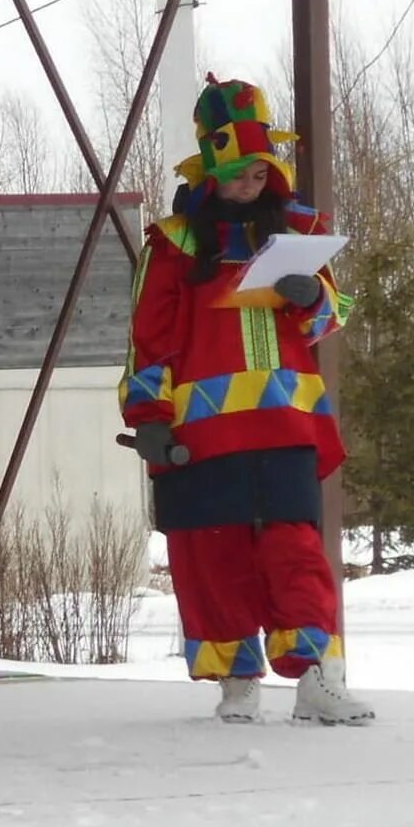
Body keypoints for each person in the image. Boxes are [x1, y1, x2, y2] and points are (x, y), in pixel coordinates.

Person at [120, 74, 374, 727]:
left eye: (259, 174)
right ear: (208, 173)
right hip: (200, 431)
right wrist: (146, 417)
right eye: (237, 175)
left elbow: (330, 318)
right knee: (210, 554)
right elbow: (148, 342)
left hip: (285, 421)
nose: (250, 186)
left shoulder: (295, 236)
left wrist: (310, 297)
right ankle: (235, 679)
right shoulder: (174, 246)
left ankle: (316, 675)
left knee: (294, 551)